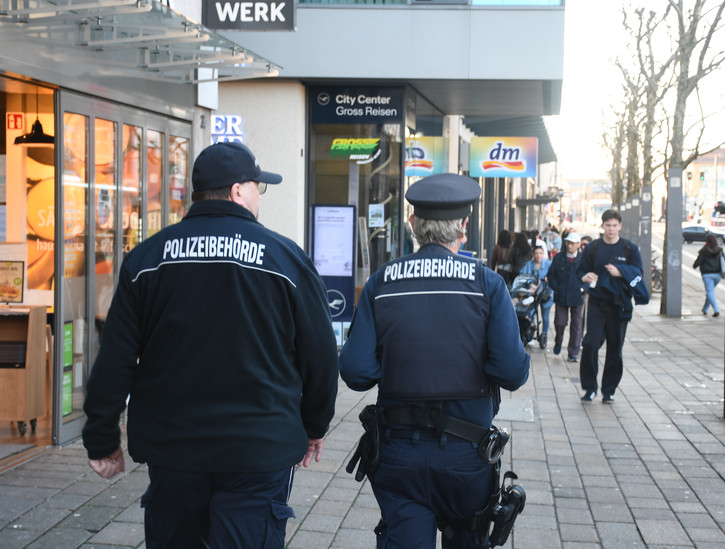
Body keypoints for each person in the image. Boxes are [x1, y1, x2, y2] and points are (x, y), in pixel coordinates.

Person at [81, 142, 339, 549]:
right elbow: (321, 356)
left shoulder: (147, 260)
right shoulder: (286, 260)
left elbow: (116, 356)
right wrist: (314, 424)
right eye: (259, 186)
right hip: (258, 450)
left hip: (174, 450)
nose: (259, 196)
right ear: (238, 191)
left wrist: (101, 435)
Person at [339, 173, 530, 548]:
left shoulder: (382, 283)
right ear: (463, 226)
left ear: (413, 224)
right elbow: (511, 372)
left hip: (397, 455)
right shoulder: (487, 284)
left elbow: (356, 372)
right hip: (466, 457)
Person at [577, 209, 647, 404]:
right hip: (597, 303)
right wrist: (585, 277)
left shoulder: (629, 249)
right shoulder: (592, 248)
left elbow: (639, 275)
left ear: (620, 226)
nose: (611, 229)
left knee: (615, 349)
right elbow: (581, 271)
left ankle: (609, 390)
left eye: (614, 225)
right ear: (602, 225)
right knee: (591, 344)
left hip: (619, 305)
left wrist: (621, 272)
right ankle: (590, 388)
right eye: (608, 225)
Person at [548, 232, 586, 361]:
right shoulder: (559, 258)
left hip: (577, 296)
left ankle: (573, 352)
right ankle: (558, 341)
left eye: (572, 243)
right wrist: (557, 288)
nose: (569, 246)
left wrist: (582, 289)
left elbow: (590, 277)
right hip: (561, 296)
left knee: (576, 325)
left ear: (578, 244)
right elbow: (551, 275)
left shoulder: (584, 259)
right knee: (560, 322)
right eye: (568, 243)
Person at [519, 245, 554, 348]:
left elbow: (555, 276)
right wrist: (529, 283)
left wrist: (549, 279)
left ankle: (544, 334)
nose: (538, 255)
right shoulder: (529, 265)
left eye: (540, 253)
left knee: (545, 315)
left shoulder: (549, 264)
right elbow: (522, 276)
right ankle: (531, 333)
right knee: (531, 313)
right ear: (533, 255)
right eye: (536, 253)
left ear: (543, 254)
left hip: (546, 293)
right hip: (532, 294)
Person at [692, 233, 725, 317]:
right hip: (717, 275)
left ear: (706, 241)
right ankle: (705, 309)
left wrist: (695, 265)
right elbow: (724, 262)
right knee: (710, 292)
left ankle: (716, 310)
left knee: (710, 292)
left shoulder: (704, 251)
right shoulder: (719, 251)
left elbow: (697, 263)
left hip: (707, 275)